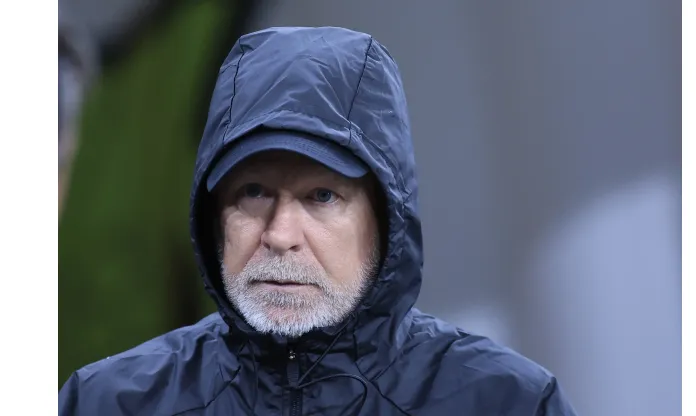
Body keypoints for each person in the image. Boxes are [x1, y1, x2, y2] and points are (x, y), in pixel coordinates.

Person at [59, 26, 577, 415]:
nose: (280, 235)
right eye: (253, 192)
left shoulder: (506, 403)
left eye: (323, 196)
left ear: (386, 219)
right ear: (212, 214)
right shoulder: (108, 404)